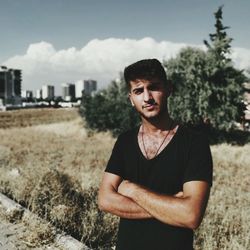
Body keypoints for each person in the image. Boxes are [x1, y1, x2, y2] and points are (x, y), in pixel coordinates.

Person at [98, 59, 213, 250]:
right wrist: (172, 206)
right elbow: (105, 200)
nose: (147, 97)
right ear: (130, 99)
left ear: (168, 89)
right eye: (138, 91)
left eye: (153, 87)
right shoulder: (125, 141)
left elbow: (191, 215)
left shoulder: (195, 143)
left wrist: (133, 191)